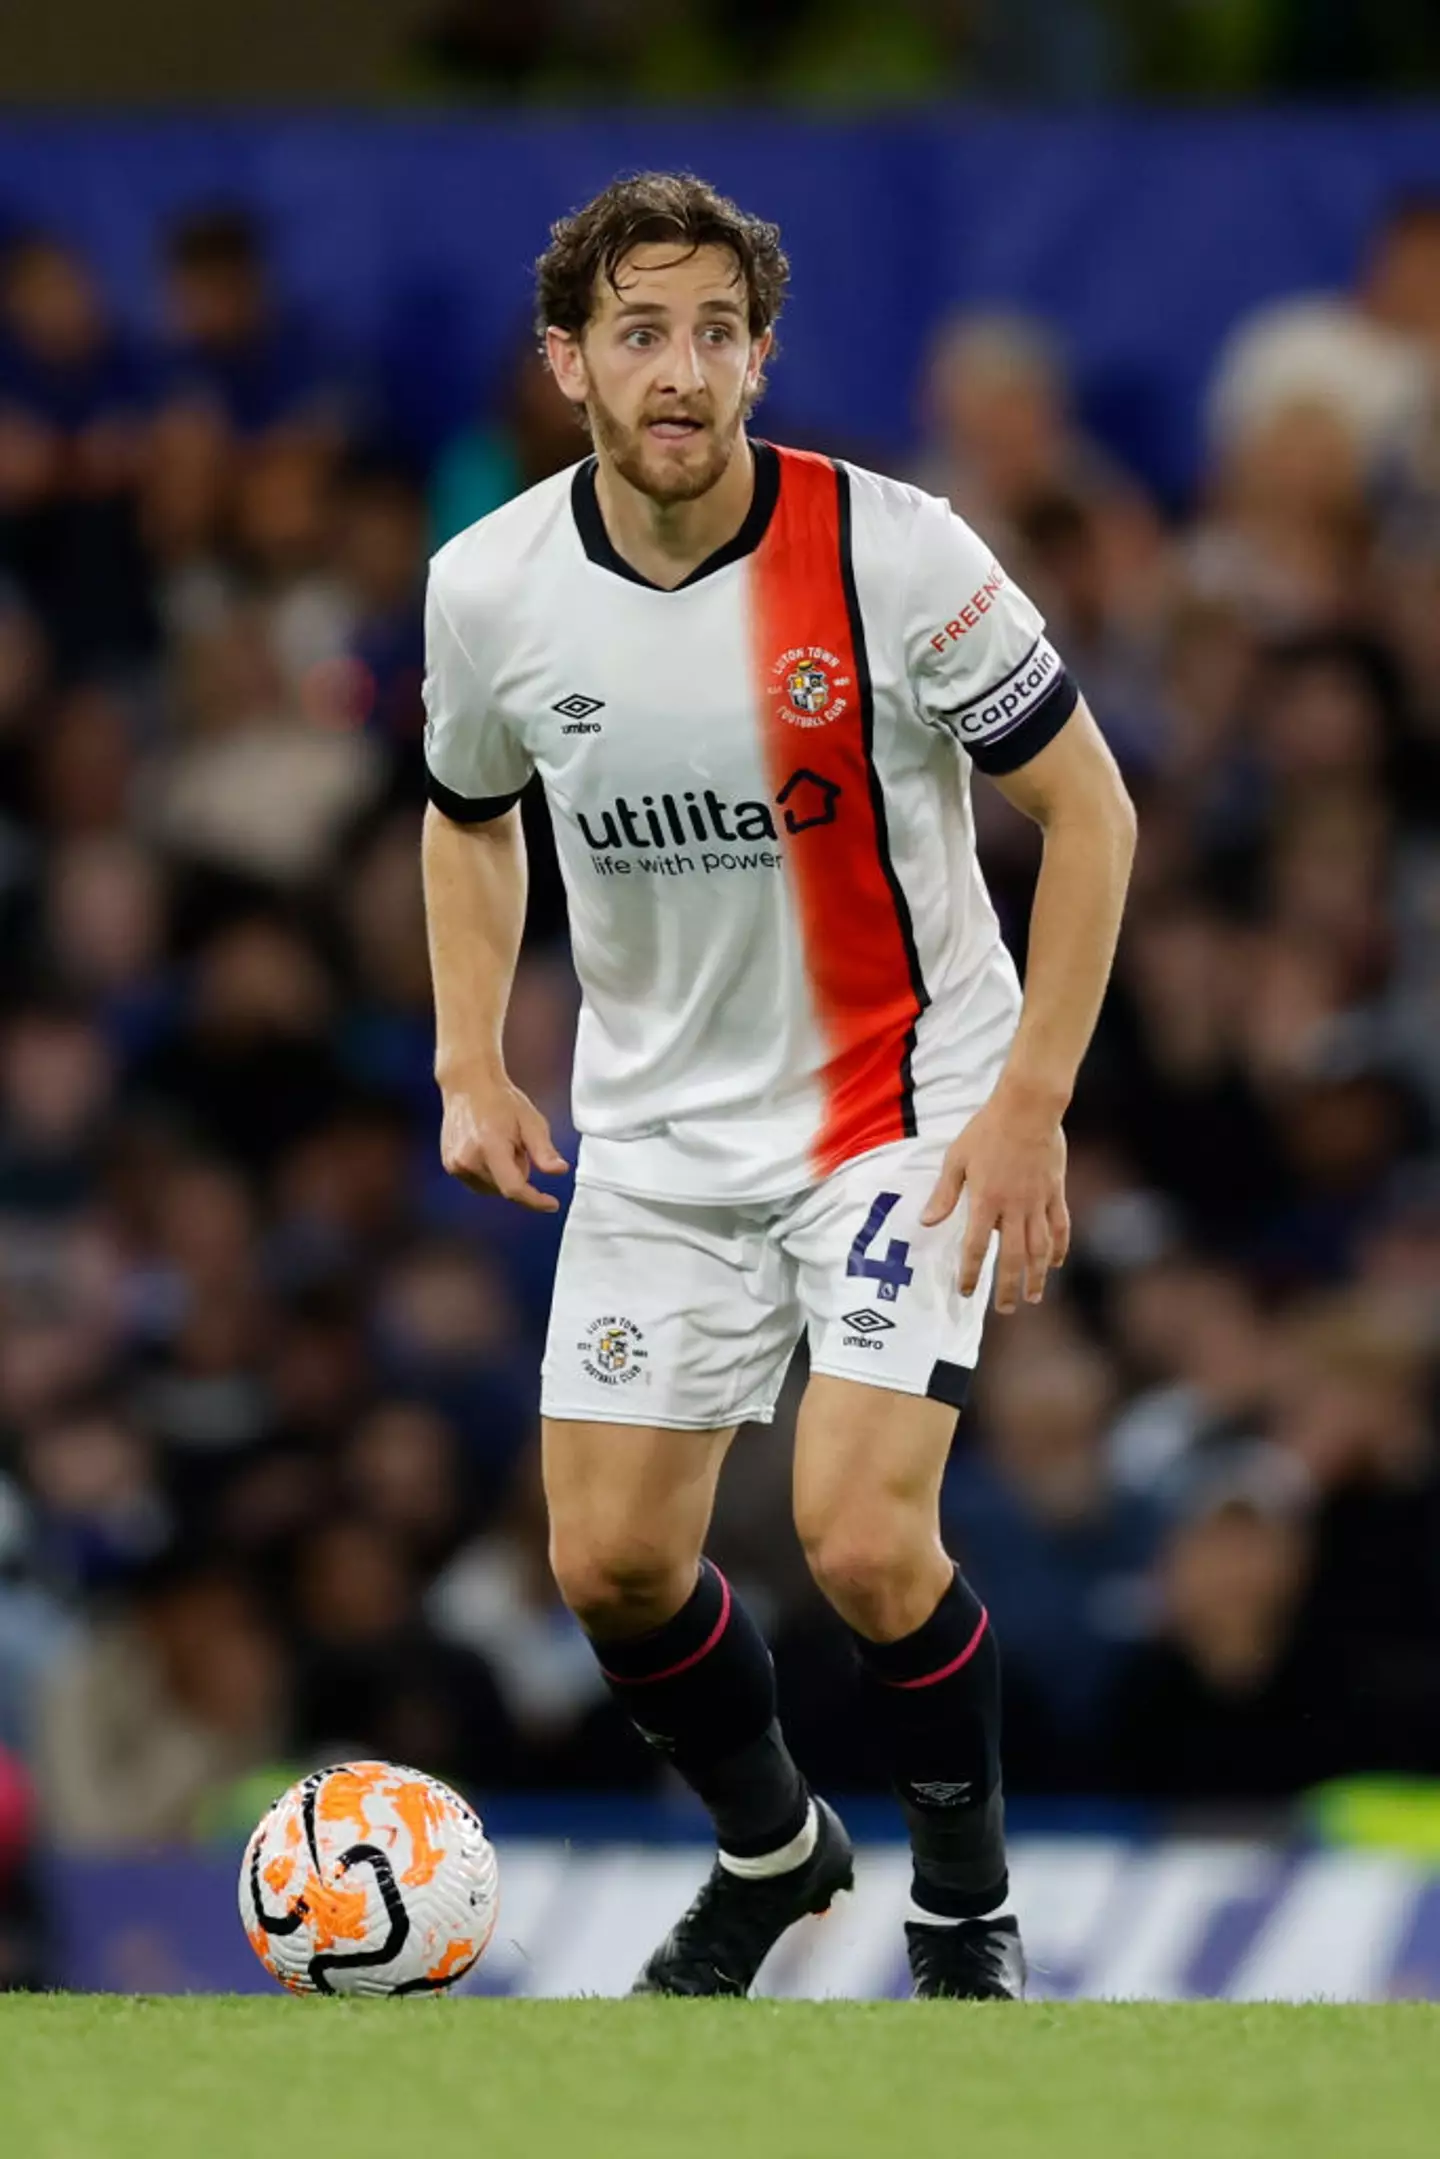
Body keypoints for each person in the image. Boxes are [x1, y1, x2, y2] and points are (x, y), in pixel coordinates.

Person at [420, 172, 1136, 2001]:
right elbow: (468, 816)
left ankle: (964, 1907)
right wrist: (469, 1050)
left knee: (865, 1537)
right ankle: (778, 1848)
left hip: (904, 1103)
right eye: (642, 335)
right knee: (610, 1563)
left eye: (716, 334)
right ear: (568, 361)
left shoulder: (893, 553)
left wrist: (1032, 1097)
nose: (682, 372)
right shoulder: (488, 588)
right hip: (659, 1133)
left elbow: (1090, 811)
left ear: (761, 356)